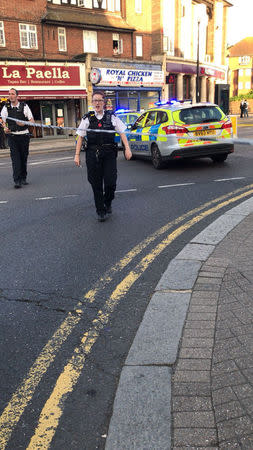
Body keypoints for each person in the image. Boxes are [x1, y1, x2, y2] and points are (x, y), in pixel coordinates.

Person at [74, 91, 132, 221]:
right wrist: (77, 155)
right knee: (96, 183)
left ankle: (108, 201)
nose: (97, 103)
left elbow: (122, 133)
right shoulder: (87, 118)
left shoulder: (112, 117)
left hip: (109, 153)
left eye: (100, 100)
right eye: (95, 100)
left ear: (104, 102)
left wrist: (127, 149)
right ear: (92, 103)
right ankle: (100, 210)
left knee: (111, 182)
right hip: (92, 154)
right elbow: (80, 137)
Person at [1, 88, 34, 188]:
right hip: (12, 136)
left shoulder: (24, 106)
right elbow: (2, 120)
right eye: (9, 94)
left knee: (23, 158)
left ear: (17, 96)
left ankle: (23, 177)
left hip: (24, 136)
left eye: (12, 94)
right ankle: (17, 180)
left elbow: (32, 121)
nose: (10, 96)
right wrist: (5, 128)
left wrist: (23, 123)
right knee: (15, 159)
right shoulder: (6, 107)